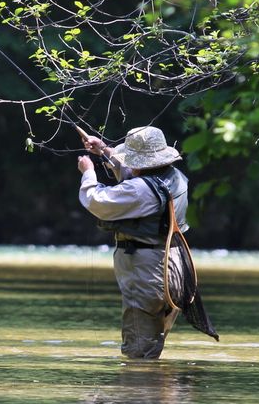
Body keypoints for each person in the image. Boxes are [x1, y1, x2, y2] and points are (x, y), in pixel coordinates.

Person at [77, 126, 189, 359]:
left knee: (139, 352)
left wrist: (88, 172)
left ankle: (137, 393)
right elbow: (137, 176)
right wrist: (105, 152)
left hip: (147, 272)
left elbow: (97, 201)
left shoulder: (140, 190)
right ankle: (155, 392)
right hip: (173, 266)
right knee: (151, 345)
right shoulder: (175, 177)